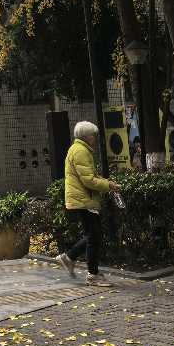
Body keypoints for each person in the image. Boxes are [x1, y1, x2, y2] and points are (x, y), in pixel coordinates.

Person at [56, 120, 119, 284]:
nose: (95, 138)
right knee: (94, 236)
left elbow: (89, 176)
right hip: (84, 200)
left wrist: (106, 182)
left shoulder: (79, 149)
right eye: (93, 135)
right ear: (87, 136)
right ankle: (92, 274)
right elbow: (88, 180)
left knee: (94, 235)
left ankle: (69, 258)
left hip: (83, 199)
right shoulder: (81, 151)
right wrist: (108, 185)